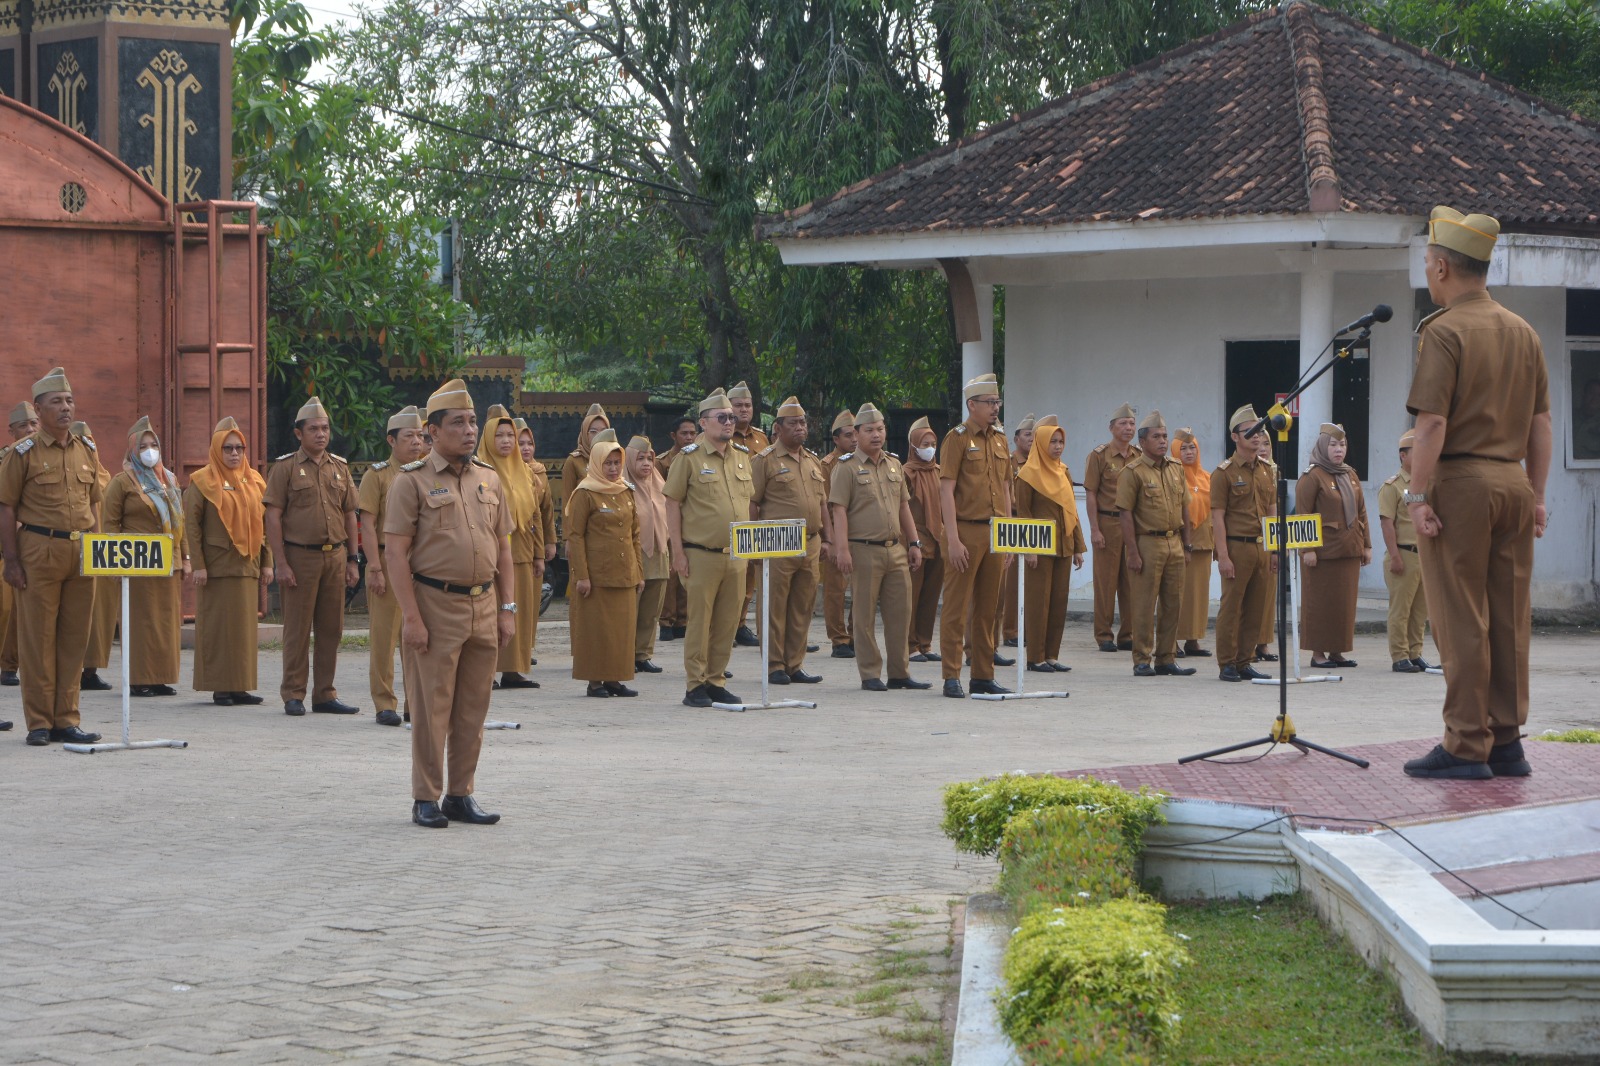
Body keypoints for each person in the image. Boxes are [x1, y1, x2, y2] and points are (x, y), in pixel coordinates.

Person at [1403, 206, 1550, 780]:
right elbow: (1541, 424)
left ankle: (1466, 743)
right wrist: (1536, 496)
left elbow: (1432, 424)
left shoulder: (1444, 331)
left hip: (1461, 483)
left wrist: (1416, 498)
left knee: (1461, 615)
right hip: (1513, 482)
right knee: (1509, 615)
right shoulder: (1524, 330)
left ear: (1441, 266)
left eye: (1427, 261)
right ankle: (1507, 741)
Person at [385, 378, 515, 828]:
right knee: (430, 707)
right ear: (432, 431)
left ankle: (461, 793)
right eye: (457, 422)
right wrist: (412, 618)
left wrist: (507, 608)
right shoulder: (411, 482)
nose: (468, 429)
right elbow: (395, 554)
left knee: (474, 708)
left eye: (473, 420)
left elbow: (503, 550)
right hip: (434, 603)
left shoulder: (490, 478)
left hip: (483, 602)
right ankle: (426, 796)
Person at [0, 367, 104, 746]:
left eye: (69, 400)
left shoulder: (86, 450)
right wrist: (10, 560)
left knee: (74, 639)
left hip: (81, 552)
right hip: (38, 550)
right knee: (38, 639)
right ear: (39, 410)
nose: (65, 407)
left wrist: (98, 551)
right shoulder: (21, 453)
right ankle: (40, 722)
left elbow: (95, 505)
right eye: (56, 402)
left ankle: (67, 719)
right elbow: (6, 507)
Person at [264, 396, 361, 717]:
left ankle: (325, 694)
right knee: (297, 629)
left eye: (325, 428)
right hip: (299, 557)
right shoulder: (285, 468)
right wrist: (280, 562)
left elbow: (350, 514)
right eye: (314, 429)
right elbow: (273, 517)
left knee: (332, 629)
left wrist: (352, 558)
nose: (321, 434)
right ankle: (293, 694)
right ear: (298, 434)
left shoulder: (339, 467)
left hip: (335, 556)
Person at [829, 403, 928, 692]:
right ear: (856, 434)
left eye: (880, 429)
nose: (876, 435)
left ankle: (899, 673)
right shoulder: (846, 467)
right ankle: (870, 672)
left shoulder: (894, 464)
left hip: (894, 549)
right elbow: (838, 511)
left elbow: (903, 507)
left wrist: (914, 543)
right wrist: (842, 549)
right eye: (869, 430)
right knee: (864, 615)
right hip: (862, 549)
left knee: (900, 613)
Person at [664, 388, 753, 707]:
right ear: (704, 423)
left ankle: (717, 679)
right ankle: (695, 684)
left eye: (732, 417)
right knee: (699, 622)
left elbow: (746, 505)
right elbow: (672, 504)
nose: (729, 422)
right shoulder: (688, 458)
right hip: (701, 554)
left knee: (728, 622)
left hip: (737, 555)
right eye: (722, 417)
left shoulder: (742, 457)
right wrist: (677, 553)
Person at [185, 416, 273, 707]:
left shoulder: (256, 482)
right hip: (216, 568)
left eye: (240, 448)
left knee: (243, 632)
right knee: (219, 628)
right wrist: (197, 564)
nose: (235, 454)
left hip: (247, 566)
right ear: (216, 450)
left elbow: (266, 526)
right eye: (228, 448)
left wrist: (267, 563)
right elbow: (192, 527)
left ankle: (240, 686)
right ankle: (220, 687)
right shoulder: (201, 482)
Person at [937, 372, 1013, 698]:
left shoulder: (1000, 439)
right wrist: (952, 539)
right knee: (956, 608)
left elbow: (1007, 488)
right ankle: (951, 675)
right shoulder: (956, 438)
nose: (995, 407)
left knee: (988, 609)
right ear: (972, 405)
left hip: (994, 532)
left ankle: (983, 674)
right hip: (965, 531)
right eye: (989, 402)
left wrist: (1008, 535)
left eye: (997, 401)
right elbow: (946, 489)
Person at [102, 416, 189, 697]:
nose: (150, 451)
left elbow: (180, 522)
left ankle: (160, 677)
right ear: (132, 450)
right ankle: (139, 679)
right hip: (136, 562)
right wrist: (114, 561)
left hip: (168, 561)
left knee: (165, 621)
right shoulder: (122, 482)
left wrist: (185, 558)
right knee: (140, 621)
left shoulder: (170, 479)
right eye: (143, 446)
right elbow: (110, 524)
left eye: (154, 445)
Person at [751, 396, 827, 686]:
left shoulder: (812, 461)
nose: (800, 427)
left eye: (803, 422)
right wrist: (755, 547)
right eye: (793, 423)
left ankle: (795, 664)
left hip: (810, 542)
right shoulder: (764, 460)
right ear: (778, 428)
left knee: (803, 605)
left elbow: (823, 505)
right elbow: (753, 504)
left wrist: (828, 540)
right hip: (776, 541)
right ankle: (774, 665)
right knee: (773, 606)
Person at [359, 406, 426, 724]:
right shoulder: (378, 475)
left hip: (421, 565)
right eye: (409, 436)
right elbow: (367, 525)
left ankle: (415, 702)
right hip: (387, 560)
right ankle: (384, 703)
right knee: (384, 637)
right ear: (391, 439)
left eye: (420, 436)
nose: (416, 441)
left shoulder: (428, 473)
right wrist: (373, 566)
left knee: (417, 638)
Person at [1117, 411, 1194, 676]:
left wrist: (1187, 545)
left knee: (1173, 603)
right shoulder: (1133, 472)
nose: (1162, 441)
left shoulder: (1175, 469)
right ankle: (1141, 659)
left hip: (1174, 542)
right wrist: (1133, 553)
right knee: (1144, 604)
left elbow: (1185, 508)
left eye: (1164, 436)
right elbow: (1125, 514)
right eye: (1156, 437)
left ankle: (1166, 658)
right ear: (1143, 441)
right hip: (1147, 543)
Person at [566, 440, 643, 697]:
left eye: (617, 463)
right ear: (597, 464)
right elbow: (575, 536)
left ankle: (615, 679)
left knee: (621, 631)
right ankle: (595, 681)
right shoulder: (585, 492)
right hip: (597, 575)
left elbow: (635, 535)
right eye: (607, 463)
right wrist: (582, 576)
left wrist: (639, 572)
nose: (613, 469)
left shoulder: (625, 490)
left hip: (624, 572)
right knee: (597, 631)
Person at [474, 405, 541, 692]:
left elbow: (536, 513)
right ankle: (486, 671)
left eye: (510, 435)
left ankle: (513, 669)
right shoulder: (478, 471)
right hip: (491, 551)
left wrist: (540, 552)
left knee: (519, 610)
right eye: (499, 435)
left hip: (522, 549)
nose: (505, 441)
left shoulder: (525, 472)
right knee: (490, 612)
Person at [1211, 404, 1277, 683]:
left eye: (1259, 430)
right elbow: (1217, 518)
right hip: (1237, 547)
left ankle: (1245, 660)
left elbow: (1272, 509)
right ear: (1235, 437)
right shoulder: (1223, 473)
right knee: (1232, 606)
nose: (1256, 436)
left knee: (1256, 607)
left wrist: (1275, 549)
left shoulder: (1266, 470)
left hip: (1263, 546)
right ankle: (1227, 662)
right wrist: (1223, 556)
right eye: (1248, 431)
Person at [1296, 423, 1371, 668]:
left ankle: (1338, 651)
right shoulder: (1312, 476)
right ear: (1322, 446)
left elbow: (1362, 513)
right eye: (1333, 445)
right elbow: (1303, 514)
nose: (1339, 450)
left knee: (1344, 604)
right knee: (1320, 604)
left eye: (1343, 444)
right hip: (1323, 553)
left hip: (1349, 550)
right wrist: (1307, 549)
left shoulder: (1350, 474)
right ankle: (1318, 654)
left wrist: (1367, 545)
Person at [1014, 415, 1084, 672]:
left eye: (1061, 441)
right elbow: (1023, 513)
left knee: (1058, 601)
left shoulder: (1062, 471)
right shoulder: (1028, 474)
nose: (1057, 446)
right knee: (1038, 602)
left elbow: (1071, 510)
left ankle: (1052, 654)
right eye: (1052, 441)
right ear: (1041, 443)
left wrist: (1077, 546)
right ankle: (1035, 657)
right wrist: (1029, 548)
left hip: (1063, 545)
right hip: (1040, 549)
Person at [1083, 403, 1138, 653]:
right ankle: (1104, 634)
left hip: (1133, 525)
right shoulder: (1099, 455)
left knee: (1132, 582)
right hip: (1108, 521)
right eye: (1123, 424)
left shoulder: (1139, 456)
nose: (1129, 428)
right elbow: (1091, 494)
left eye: (1132, 424)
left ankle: (1128, 634)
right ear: (1111, 428)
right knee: (1105, 582)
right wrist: (1095, 529)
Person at [1378, 430, 1432, 673]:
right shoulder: (1393, 487)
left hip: (1424, 556)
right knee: (1400, 610)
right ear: (1403, 455)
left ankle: (1415, 653)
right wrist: (1396, 556)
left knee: (1420, 610)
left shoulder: (1425, 485)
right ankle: (1399, 656)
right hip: (1403, 554)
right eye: (1416, 452)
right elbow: (1386, 523)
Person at [0, 400, 40, 691]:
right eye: (23, 426)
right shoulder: (5, 459)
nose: (29, 429)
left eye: (33, 424)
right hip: (5, 549)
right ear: (11, 431)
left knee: (18, 614)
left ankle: (11, 665)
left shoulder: (46, 456)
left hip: (32, 546)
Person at [727, 380, 770, 648]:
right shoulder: (722, 435)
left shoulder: (761, 439)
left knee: (750, 574)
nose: (744, 410)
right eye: (738, 405)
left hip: (753, 512)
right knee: (731, 574)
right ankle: (727, 626)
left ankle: (741, 624)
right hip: (729, 512)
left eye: (748, 405)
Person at [78, 420, 117, 692]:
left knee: (100, 619)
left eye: (90, 443)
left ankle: (90, 671)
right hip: (77, 556)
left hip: (102, 557)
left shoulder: (106, 479)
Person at [627, 435, 670, 673]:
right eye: (640, 458)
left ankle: (643, 654)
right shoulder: (623, 485)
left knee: (652, 608)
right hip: (636, 554)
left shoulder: (659, 483)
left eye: (649, 459)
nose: (646, 464)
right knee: (632, 606)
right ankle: (626, 653)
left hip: (660, 552)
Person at [516, 417, 557, 665]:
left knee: (532, 599)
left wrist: (549, 542)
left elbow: (546, 511)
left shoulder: (540, 471)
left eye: (529, 443)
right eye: (520, 443)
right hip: (514, 543)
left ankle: (526, 647)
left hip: (535, 541)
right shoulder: (504, 470)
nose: (526, 448)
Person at [903, 416, 945, 663]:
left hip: (938, 539)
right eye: (925, 444)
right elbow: (902, 509)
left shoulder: (939, 472)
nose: (930, 449)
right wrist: (910, 541)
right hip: (916, 539)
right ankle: (910, 645)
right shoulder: (905, 473)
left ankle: (925, 643)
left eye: (933, 443)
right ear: (914, 446)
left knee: (931, 595)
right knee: (912, 595)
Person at [1171, 429, 1214, 658]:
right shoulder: (1172, 476)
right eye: (1184, 448)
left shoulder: (1207, 477)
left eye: (1192, 447)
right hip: (1181, 542)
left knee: (1199, 595)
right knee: (1179, 594)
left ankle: (1193, 640)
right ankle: (1172, 642)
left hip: (1204, 543)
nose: (1189, 452)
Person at [655, 416, 698, 642]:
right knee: (671, 573)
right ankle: (666, 621)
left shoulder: (699, 460)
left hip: (692, 524)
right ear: (674, 436)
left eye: (693, 433)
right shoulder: (662, 463)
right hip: (670, 522)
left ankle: (683, 620)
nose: (689, 437)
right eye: (685, 433)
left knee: (688, 571)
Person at [994, 413, 1034, 652]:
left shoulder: (1038, 462)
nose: (1031, 439)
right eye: (1027, 435)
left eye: (1034, 435)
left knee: (1029, 579)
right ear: (1017, 438)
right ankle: (1010, 631)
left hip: (1031, 522)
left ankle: (1024, 628)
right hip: (1014, 519)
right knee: (1011, 581)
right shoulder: (1009, 461)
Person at [820, 409, 857, 658]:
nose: (854, 439)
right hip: (836, 532)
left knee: (862, 589)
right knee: (835, 589)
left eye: (856, 433)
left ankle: (856, 635)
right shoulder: (827, 466)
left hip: (861, 534)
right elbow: (826, 506)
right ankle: (839, 639)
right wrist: (831, 540)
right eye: (848, 435)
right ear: (836, 439)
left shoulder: (864, 461)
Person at [561, 403, 610, 513]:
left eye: (603, 431)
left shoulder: (615, 460)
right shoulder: (574, 462)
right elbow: (567, 504)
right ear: (584, 433)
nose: (599, 436)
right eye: (593, 432)